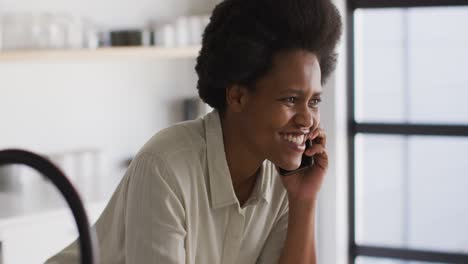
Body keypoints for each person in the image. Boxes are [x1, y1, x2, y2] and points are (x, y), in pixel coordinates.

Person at [46, 0, 342, 263]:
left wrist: (303, 199)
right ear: (237, 96)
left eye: (314, 101)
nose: (307, 120)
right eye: (290, 99)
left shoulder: (283, 179)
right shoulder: (166, 166)